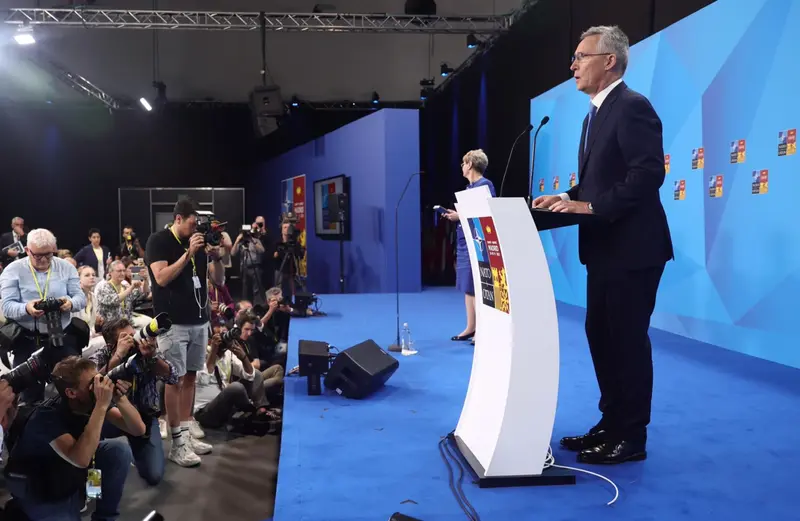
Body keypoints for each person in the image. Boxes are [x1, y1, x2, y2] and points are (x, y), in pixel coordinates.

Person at [532, 26, 673, 464]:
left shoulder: (632, 107)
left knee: (626, 340)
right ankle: (610, 422)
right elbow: (600, 181)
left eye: (580, 56)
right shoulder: (595, 113)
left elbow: (647, 175)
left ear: (609, 60)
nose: (573, 65)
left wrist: (589, 208)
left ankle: (630, 436)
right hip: (605, 249)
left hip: (634, 249)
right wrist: (568, 197)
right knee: (602, 335)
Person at [3, 356, 144, 521]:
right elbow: (81, 459)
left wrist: (120, 398)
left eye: (99, 378)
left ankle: (104, 515)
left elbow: (138, 429)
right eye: (92, 383)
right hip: (42, 489)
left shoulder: (87, 401)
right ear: (71, 393)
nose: (99, 385)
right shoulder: (46, 418)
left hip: (67, 472)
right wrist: (101, 405)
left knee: (118, 451)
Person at [145, 198, 212, 467]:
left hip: (199, 320)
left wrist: (216, 256)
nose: (196, 229)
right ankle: (177, 443)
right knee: (174, 379)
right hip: (172, 323)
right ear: (179, 219)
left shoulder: (199, 244)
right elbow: (161, 278)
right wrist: (188, 255)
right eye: (192, 223)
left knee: (192, 377)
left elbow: (213, 279)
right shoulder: (158, 241)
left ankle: (187, 431)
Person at [0, 228, 87, 404]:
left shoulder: (66, 267)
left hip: (61, 337)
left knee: (75, 391)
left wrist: (69, 303)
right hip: (28, 339)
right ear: (27, 251)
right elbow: (7, 306)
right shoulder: (13, 270)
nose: (44, 260)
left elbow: (81, 298)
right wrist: (26, 308)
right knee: (28, 397)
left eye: (49, 255)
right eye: (38, 256)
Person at [90, 317, 177, 486]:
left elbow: (173, 378)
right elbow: (89, 384)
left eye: (133, 334)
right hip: (110, 416)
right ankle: (92, 487)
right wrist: (117, 356)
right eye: (126, 337)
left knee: (154, 475)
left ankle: (136, 452)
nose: (133, 340)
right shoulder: (103, 354)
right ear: (111, 344)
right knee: (89, 431)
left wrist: (152, 357)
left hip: (142, 418)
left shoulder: (145, 351)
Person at [443, 149, 495, 343]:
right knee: (467, 286)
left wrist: (460, 215)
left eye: (464, 163)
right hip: (464, 241)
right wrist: (455, 214)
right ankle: (470, 327)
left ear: (470, 164)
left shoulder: (485, 185)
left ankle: (481, 329)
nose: (462, 167)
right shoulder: (468, 189)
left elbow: (484, 214)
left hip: (478, 242)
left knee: (478, 287)